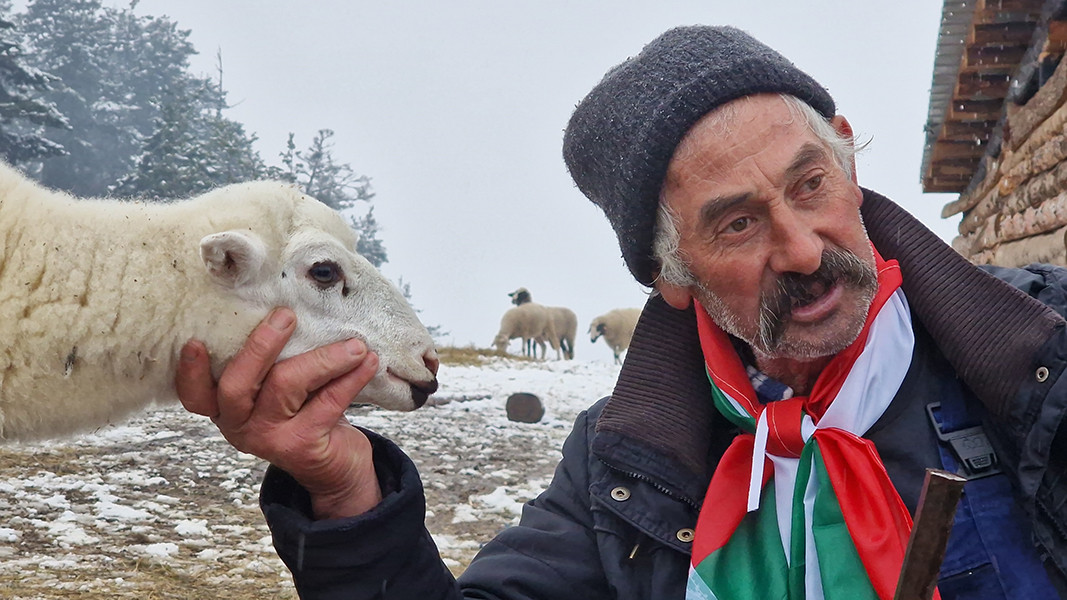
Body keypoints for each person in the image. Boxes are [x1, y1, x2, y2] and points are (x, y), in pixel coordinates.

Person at [176, 25, 1067, 599]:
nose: (801, 248)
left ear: (845, 154)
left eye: (810, 183)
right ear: (668, 274)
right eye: (738, 223)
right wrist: (345, 493)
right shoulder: (631, 464)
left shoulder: (1039, 368)